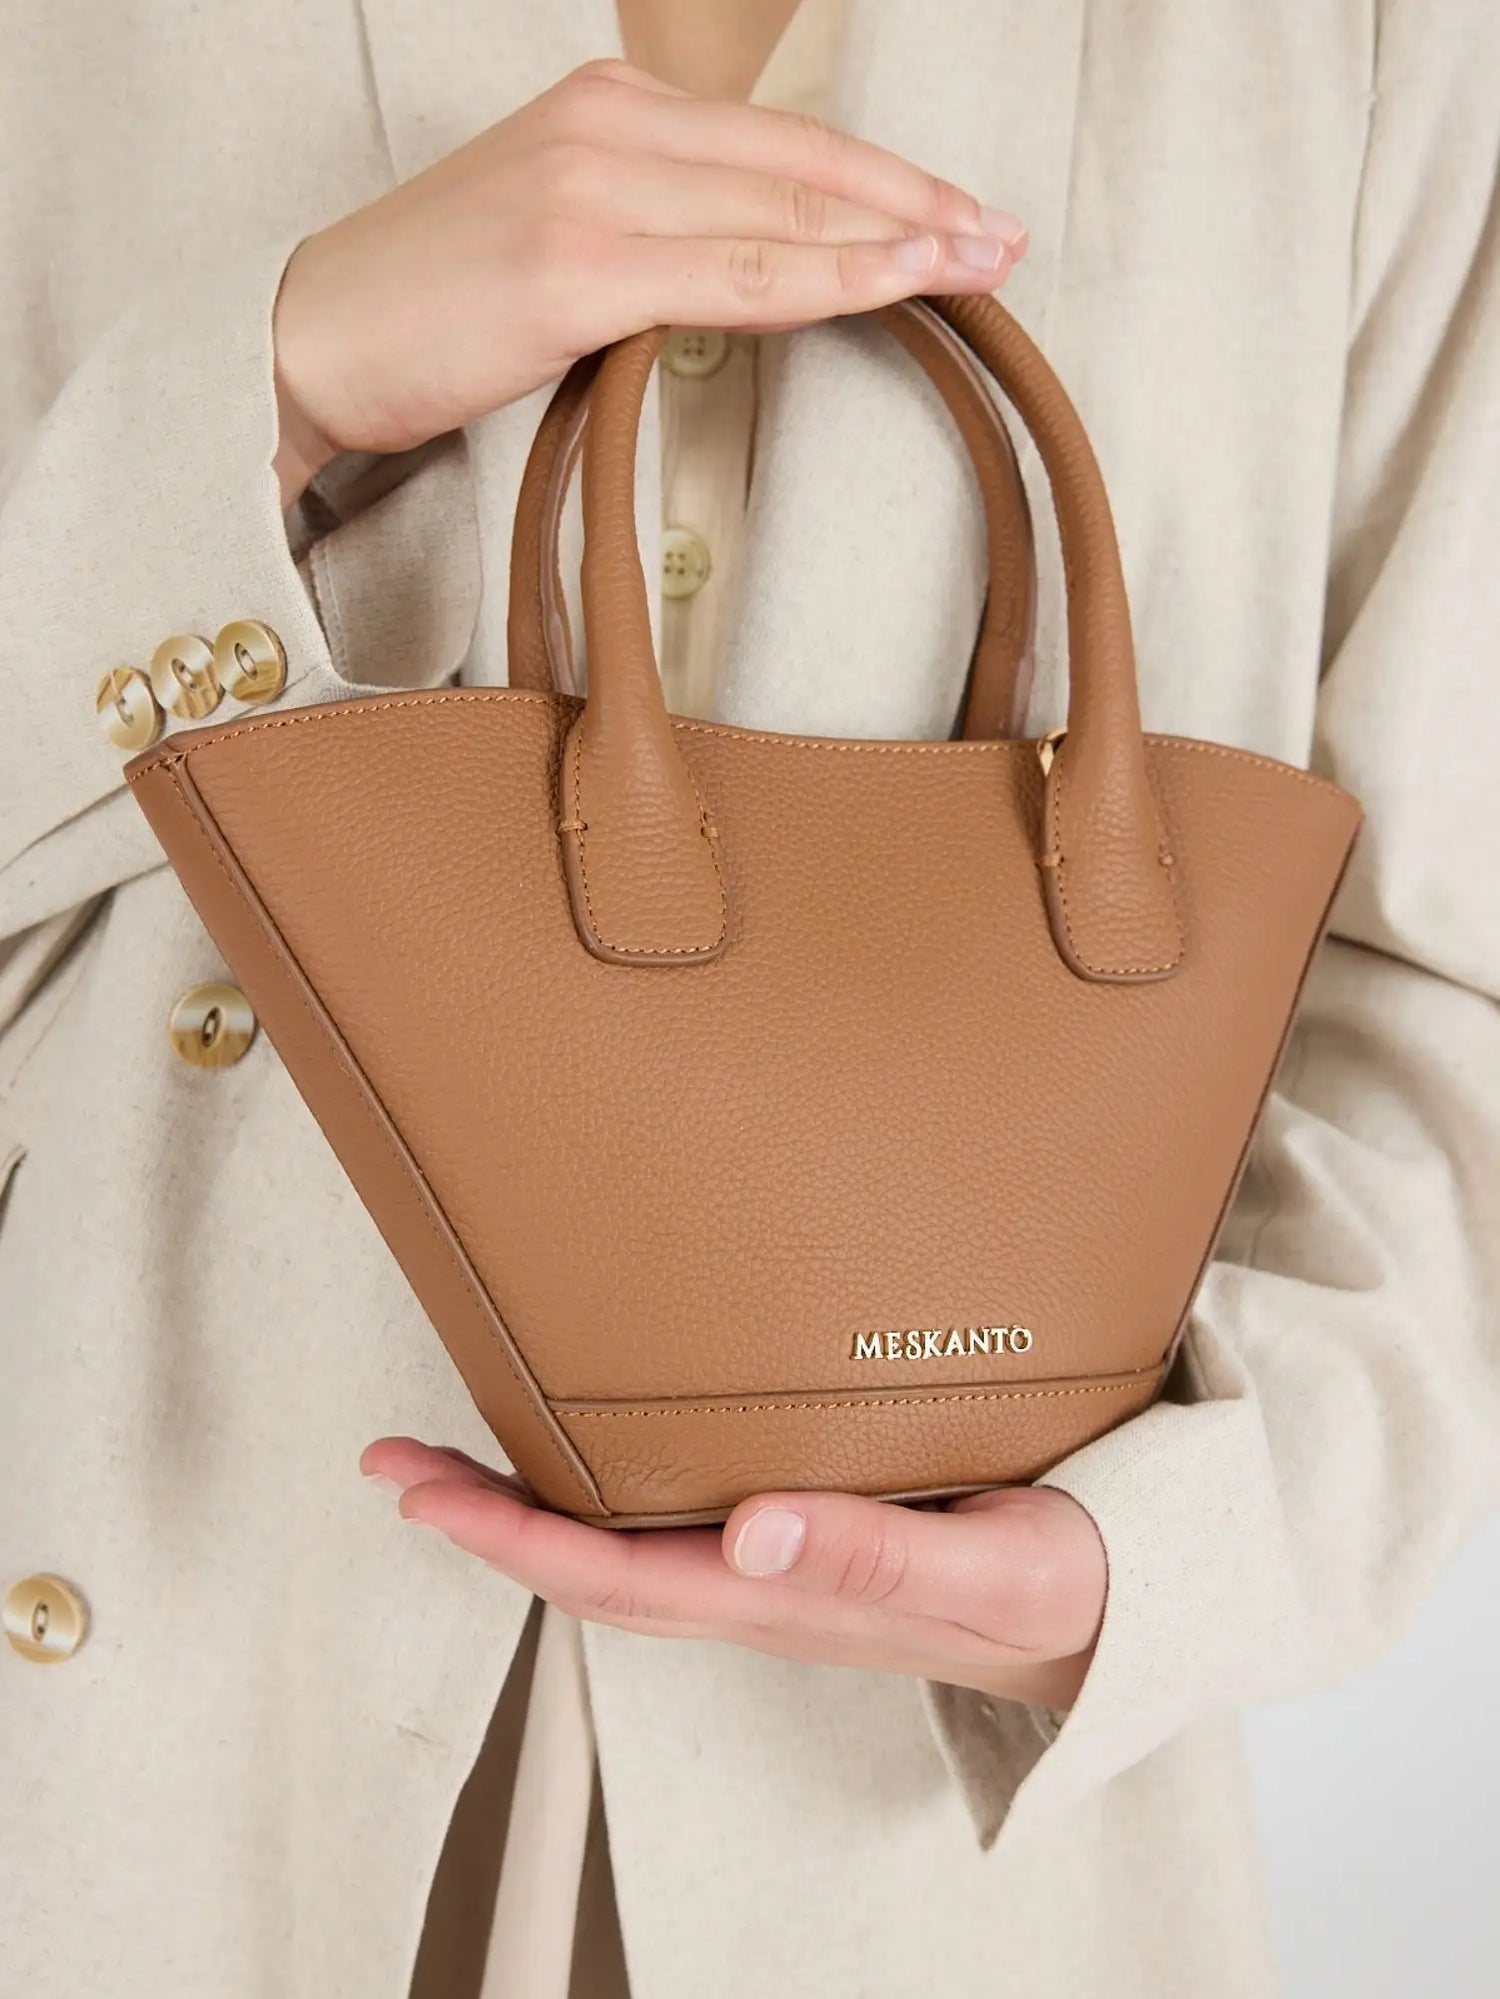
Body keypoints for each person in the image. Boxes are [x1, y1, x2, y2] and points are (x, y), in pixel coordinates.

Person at [1, 2, 1496, 1995]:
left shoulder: (1360, 40)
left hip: (916, 1821)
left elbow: (1446, 976)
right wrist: (268, 383)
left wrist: (1167, 1552)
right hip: (160, 1667)